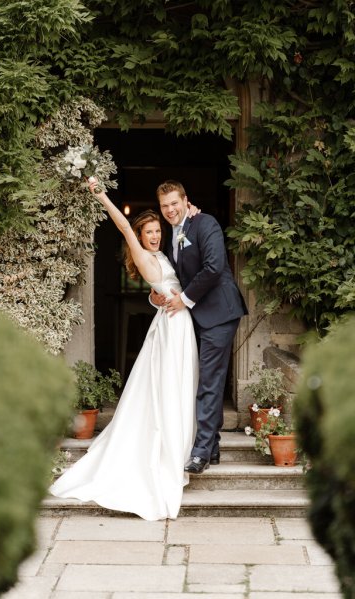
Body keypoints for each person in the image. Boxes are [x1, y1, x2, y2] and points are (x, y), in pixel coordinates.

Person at [49, 179, 199, 521]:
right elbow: (120, 223)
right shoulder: (144, 256)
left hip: (177, 325)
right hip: (171, 329)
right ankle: (166, 461)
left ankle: (176, 456)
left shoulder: (163, 252)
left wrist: (190, 214)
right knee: (168, 394)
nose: (155, 235)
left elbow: (168, 277)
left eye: (157, 230)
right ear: (139, 236)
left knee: (178, 391)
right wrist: (101, 195)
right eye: (148, 232)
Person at [151, 180, 248, 474]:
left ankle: (201, 452)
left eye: (174, 204)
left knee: (208, 380)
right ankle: (213, 446)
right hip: (197, 315)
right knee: (206, 379)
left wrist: (186, 299)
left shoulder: (205, 224)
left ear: (185, 200)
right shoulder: (172, 235)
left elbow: (214, 267)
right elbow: (175, 277)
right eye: (164, 206)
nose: (169, 210)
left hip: (219, 312)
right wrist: (160, 296)